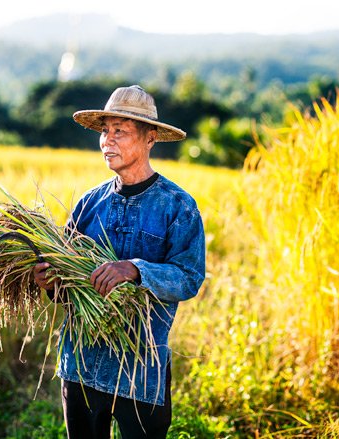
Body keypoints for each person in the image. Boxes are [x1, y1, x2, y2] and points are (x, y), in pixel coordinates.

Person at [31, 85, 207, 439]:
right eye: (105, 131)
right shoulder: (88, 204)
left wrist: (135, 270)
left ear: (150, 138)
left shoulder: (177, 205)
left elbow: (189, 277)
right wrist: (50, 282)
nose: (107, 141)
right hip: (81, 364)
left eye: (120, 131)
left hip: (141, 368)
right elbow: (68, 288)